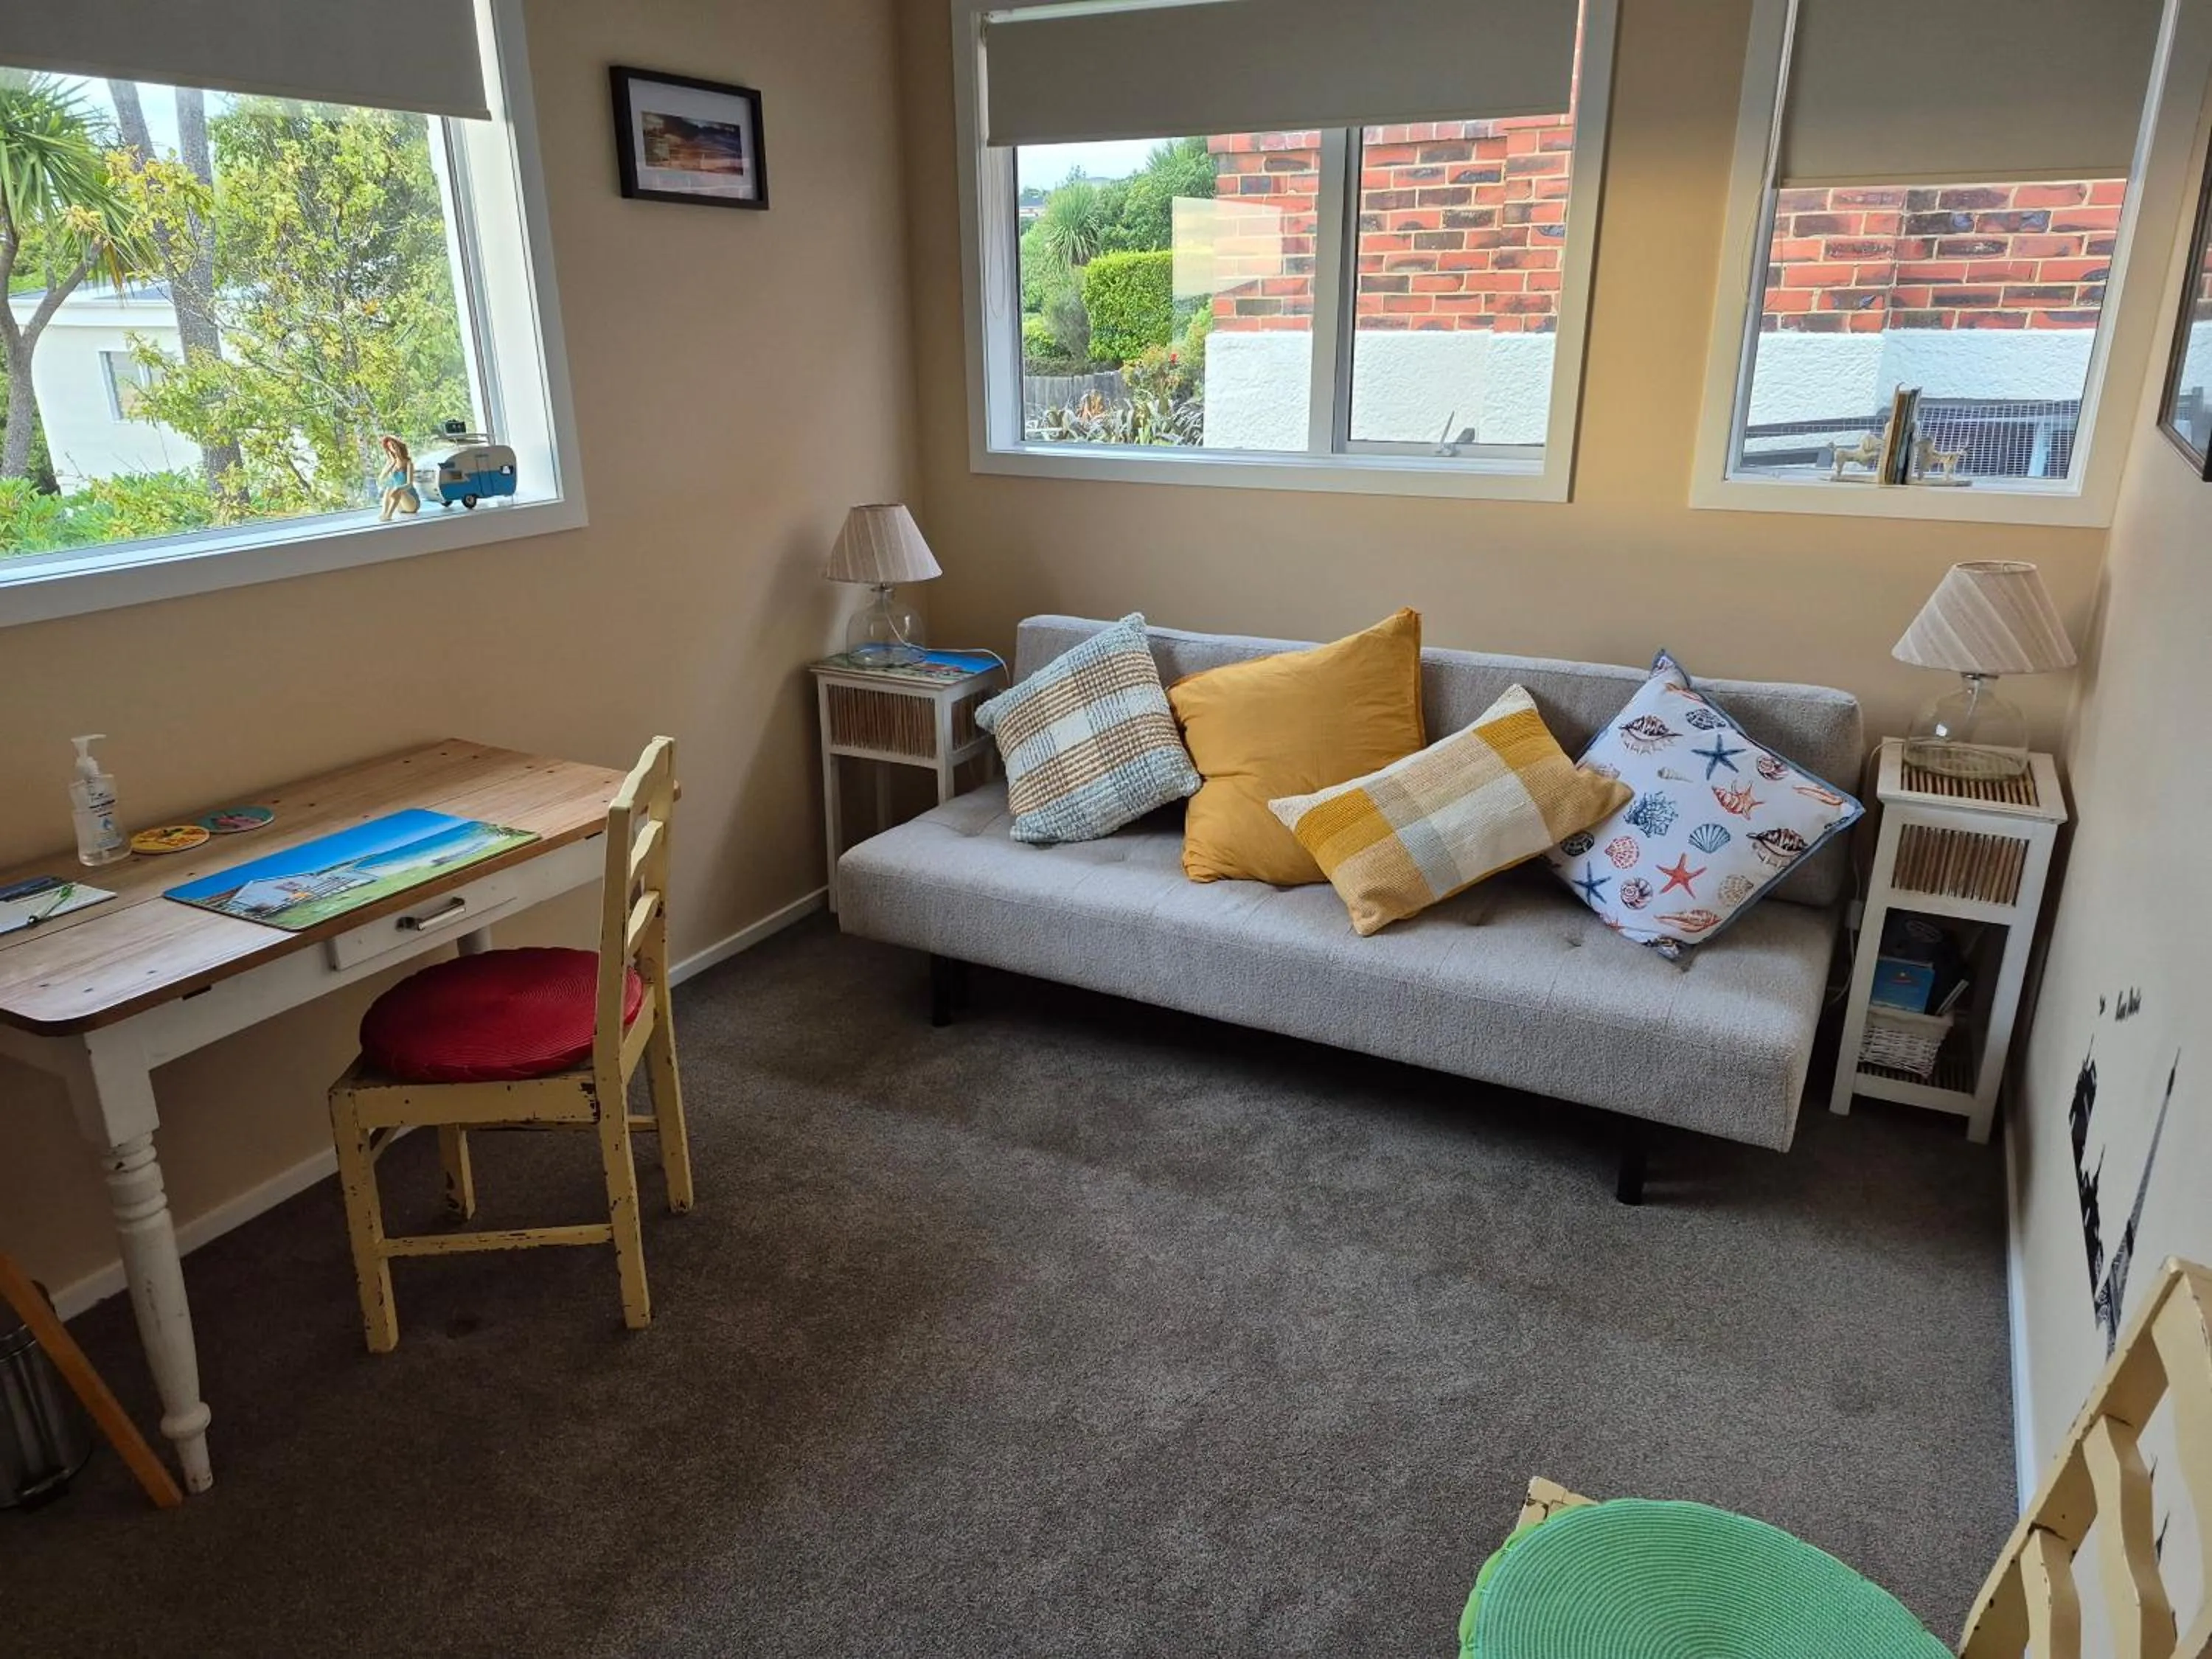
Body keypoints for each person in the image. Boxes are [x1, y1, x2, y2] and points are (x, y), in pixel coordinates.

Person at [378, 435, 420, 521]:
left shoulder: (408, 463)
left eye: (394, 445)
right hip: (399, 505)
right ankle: (385, 513)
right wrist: (392, 464)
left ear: (398, 445)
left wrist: (399, 489)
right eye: (390, 447)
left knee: (399, 490)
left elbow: (410, 484)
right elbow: (381, 479)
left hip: (411, 503)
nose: (393, 448)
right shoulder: (390, 462)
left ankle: (389, 515)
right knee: (389, 488)